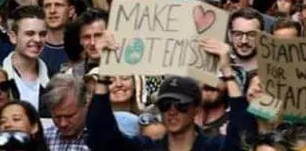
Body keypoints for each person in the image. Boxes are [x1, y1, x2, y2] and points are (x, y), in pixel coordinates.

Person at [87, 36, 246, 150]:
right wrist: (104, 74)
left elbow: (241, 134)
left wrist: (227, 71)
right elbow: (101, 138)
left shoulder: (215, 147)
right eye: (165, 104)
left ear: (196, 109)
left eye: (181, 105)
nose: (172, 111)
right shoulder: (146, 147)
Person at [3, 6, 49, 114]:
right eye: (30, 33)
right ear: (13, 37)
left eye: (42, 34)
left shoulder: (54, 79)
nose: (37, 39)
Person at [42, 74, 90, 150]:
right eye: (57, 117)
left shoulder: (102, 139)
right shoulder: (44, 139)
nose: (63, 123)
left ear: (85, 106)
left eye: (69, 116)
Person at [37, 0, 76, 75]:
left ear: (71, 11)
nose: (52, 10)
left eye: (58, 5)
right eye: (47, 6)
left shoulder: (80, 49)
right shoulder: (34, 46)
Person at [228, 8, 263, 75]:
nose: (244, 41)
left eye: (251, 35)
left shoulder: (268, 71)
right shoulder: (219, 63)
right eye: (238, 34)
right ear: (230, 35)